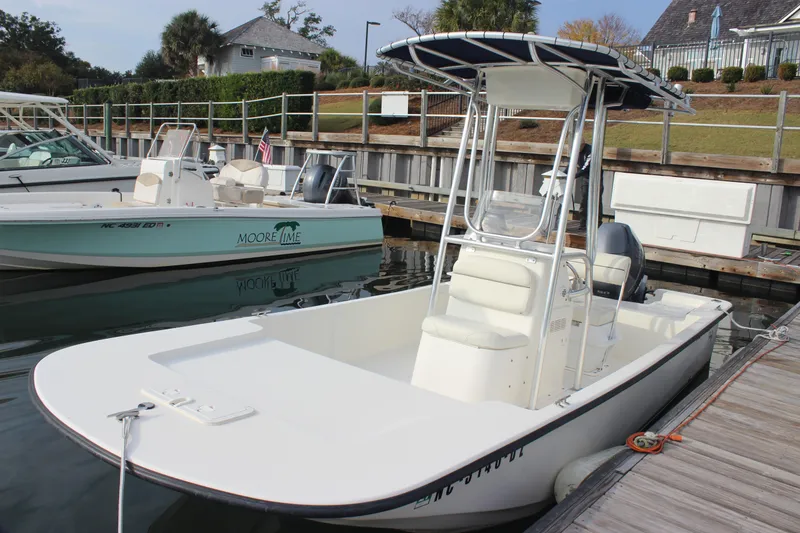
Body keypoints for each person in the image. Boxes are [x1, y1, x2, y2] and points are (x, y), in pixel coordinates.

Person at [576, 141, 603, 230]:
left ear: (582, 144)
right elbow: (571, 164)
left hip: (596, 178)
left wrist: (573, 176)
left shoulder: (591, 150)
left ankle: (597, 224)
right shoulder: (576, 151)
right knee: (584, 200)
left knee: (596, 201)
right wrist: (563, 174)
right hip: (585, 178)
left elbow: (585, 167)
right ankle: (583, 223)